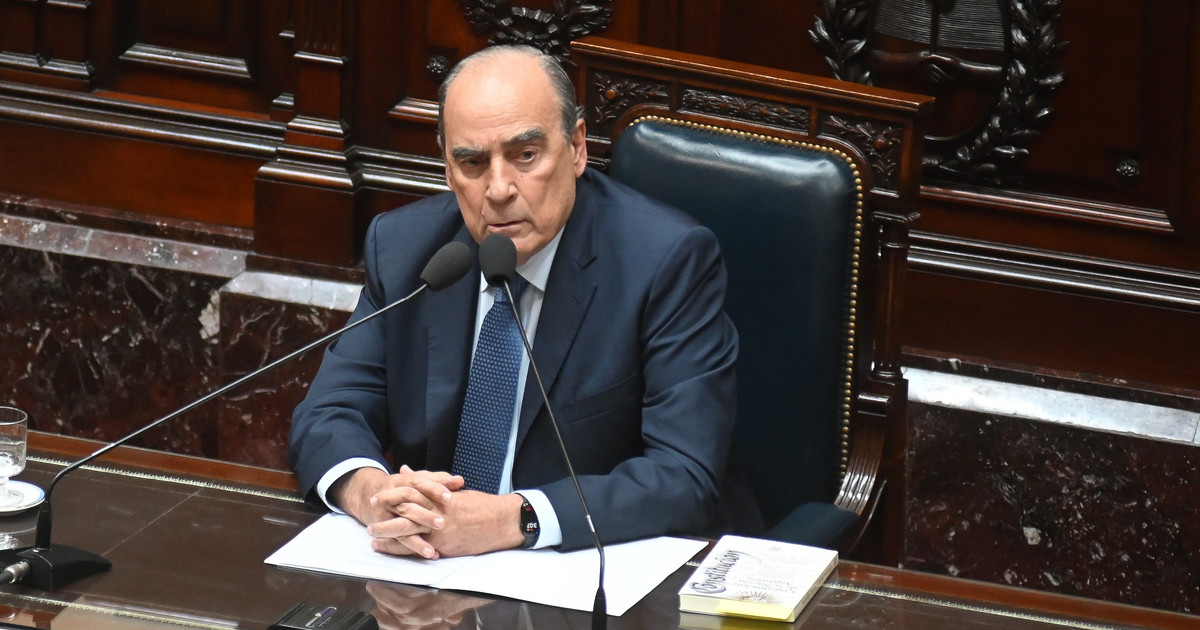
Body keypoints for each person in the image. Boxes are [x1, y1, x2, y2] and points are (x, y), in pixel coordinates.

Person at [288, 44, 759, 560]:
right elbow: (328, 414)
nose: (498, 189)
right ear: (447, 168)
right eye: (472, 162)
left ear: (576, 147)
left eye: (525, 155)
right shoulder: (407, 251)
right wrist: (374, 495)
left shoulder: (664, 260)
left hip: (593, 567)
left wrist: (513, 519)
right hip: (433, 569)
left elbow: (684, 474)